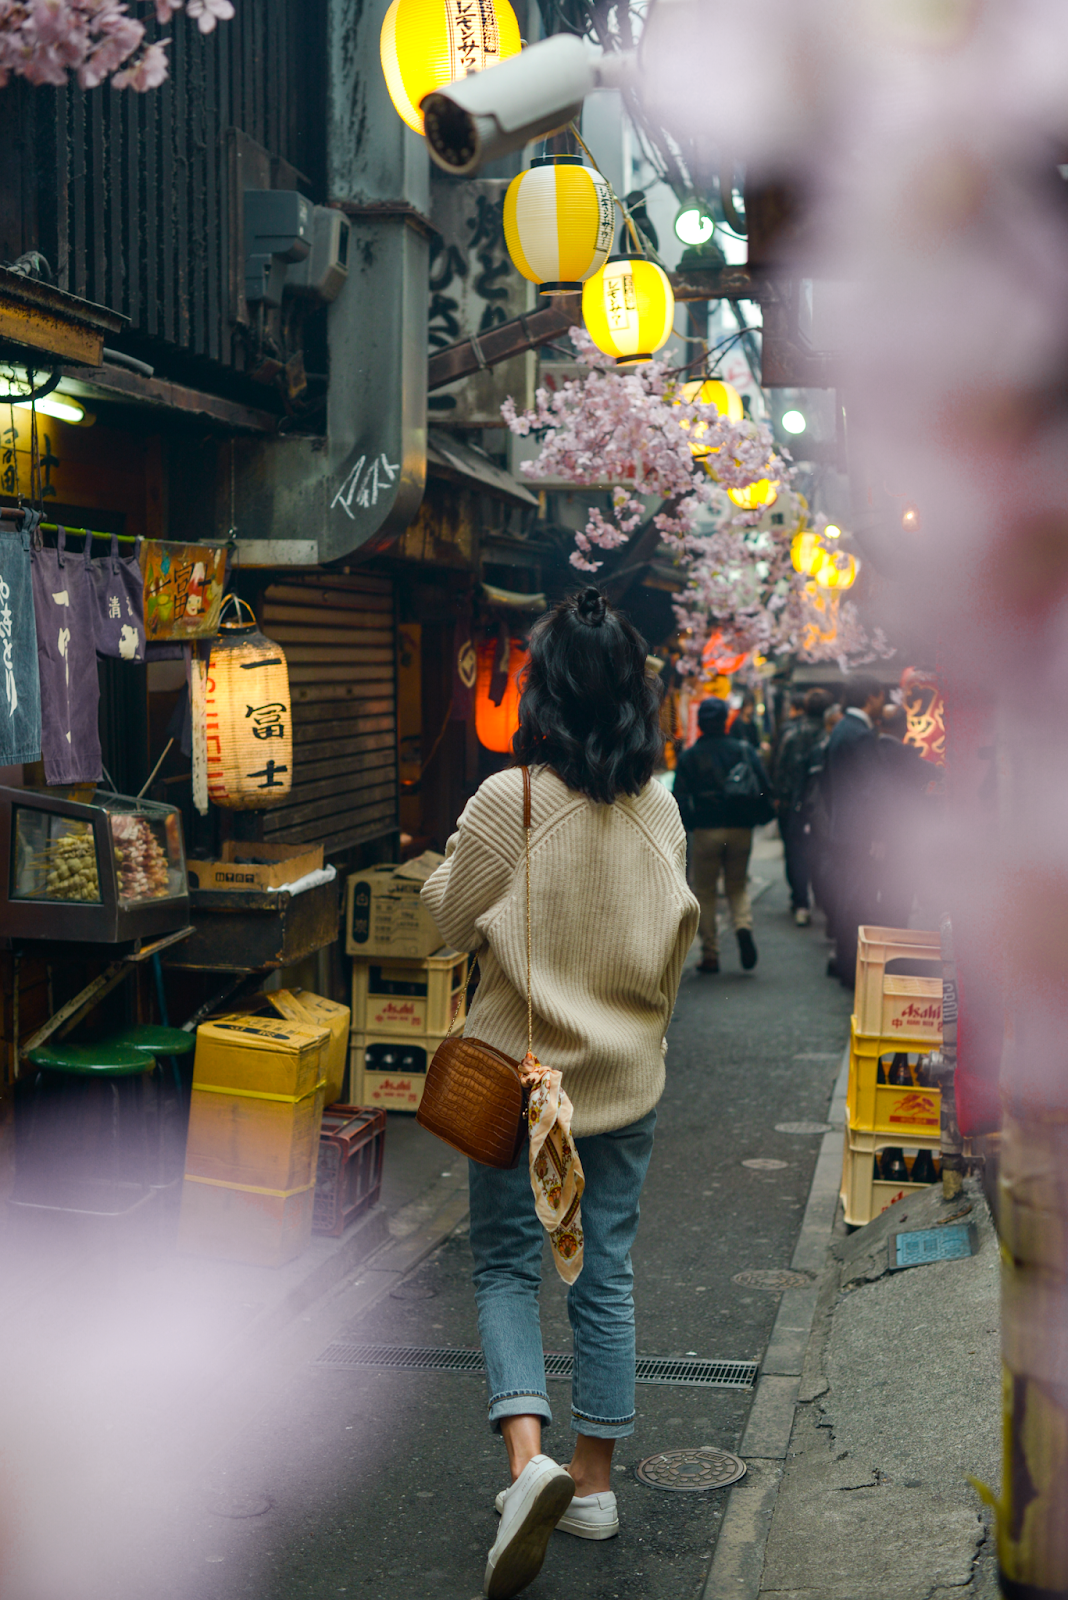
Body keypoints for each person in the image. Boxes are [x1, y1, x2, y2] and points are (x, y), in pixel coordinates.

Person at [421, 587, 699, 1600]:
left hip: (515, 1087)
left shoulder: (511, 800)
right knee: (604, 1273)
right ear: (634, 694)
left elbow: (448, 922)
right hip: (623, 1087)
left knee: (503, 1264)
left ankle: (524, 1457)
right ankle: (591, 1484)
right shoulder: (659, 805)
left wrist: (444, 872)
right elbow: (679, 942)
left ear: (540, 690)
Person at [672, 694, 774, 974]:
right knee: (737, 886)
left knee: (704, 890)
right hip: (740, 828)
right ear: (725, 720)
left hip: (707, 828)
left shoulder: (690, 755)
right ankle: (742, 925)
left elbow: (679, 797)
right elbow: (763, 785)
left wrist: (691, 824)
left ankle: (710, 954)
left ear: (701, 723)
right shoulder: (743, 749)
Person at [822, 676, 887, 985]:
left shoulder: (842, 729)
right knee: (857, 897)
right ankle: (851, 967)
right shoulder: (860, 734)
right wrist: (878, 833)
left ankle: (845, 961)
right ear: (871, 697)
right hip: (858, 830)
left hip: (842, 826)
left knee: (849, 894)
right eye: (881, 697)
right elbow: (871, 789)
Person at [773, 688, 834, 925]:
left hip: (793, 804)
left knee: (795, 853)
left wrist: (780, 797)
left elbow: (780, 769)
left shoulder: (792, 734)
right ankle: (822, 899)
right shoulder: (828, 734)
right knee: (822, 852)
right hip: (822, 805)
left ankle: (800, 903)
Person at [874, 703, 933, 929]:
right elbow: (932, 775)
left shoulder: (868, 750)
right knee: (899, 891)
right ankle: (895, 938)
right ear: (903, 726)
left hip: (870, 830)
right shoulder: (905, 754)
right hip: (901, 833)